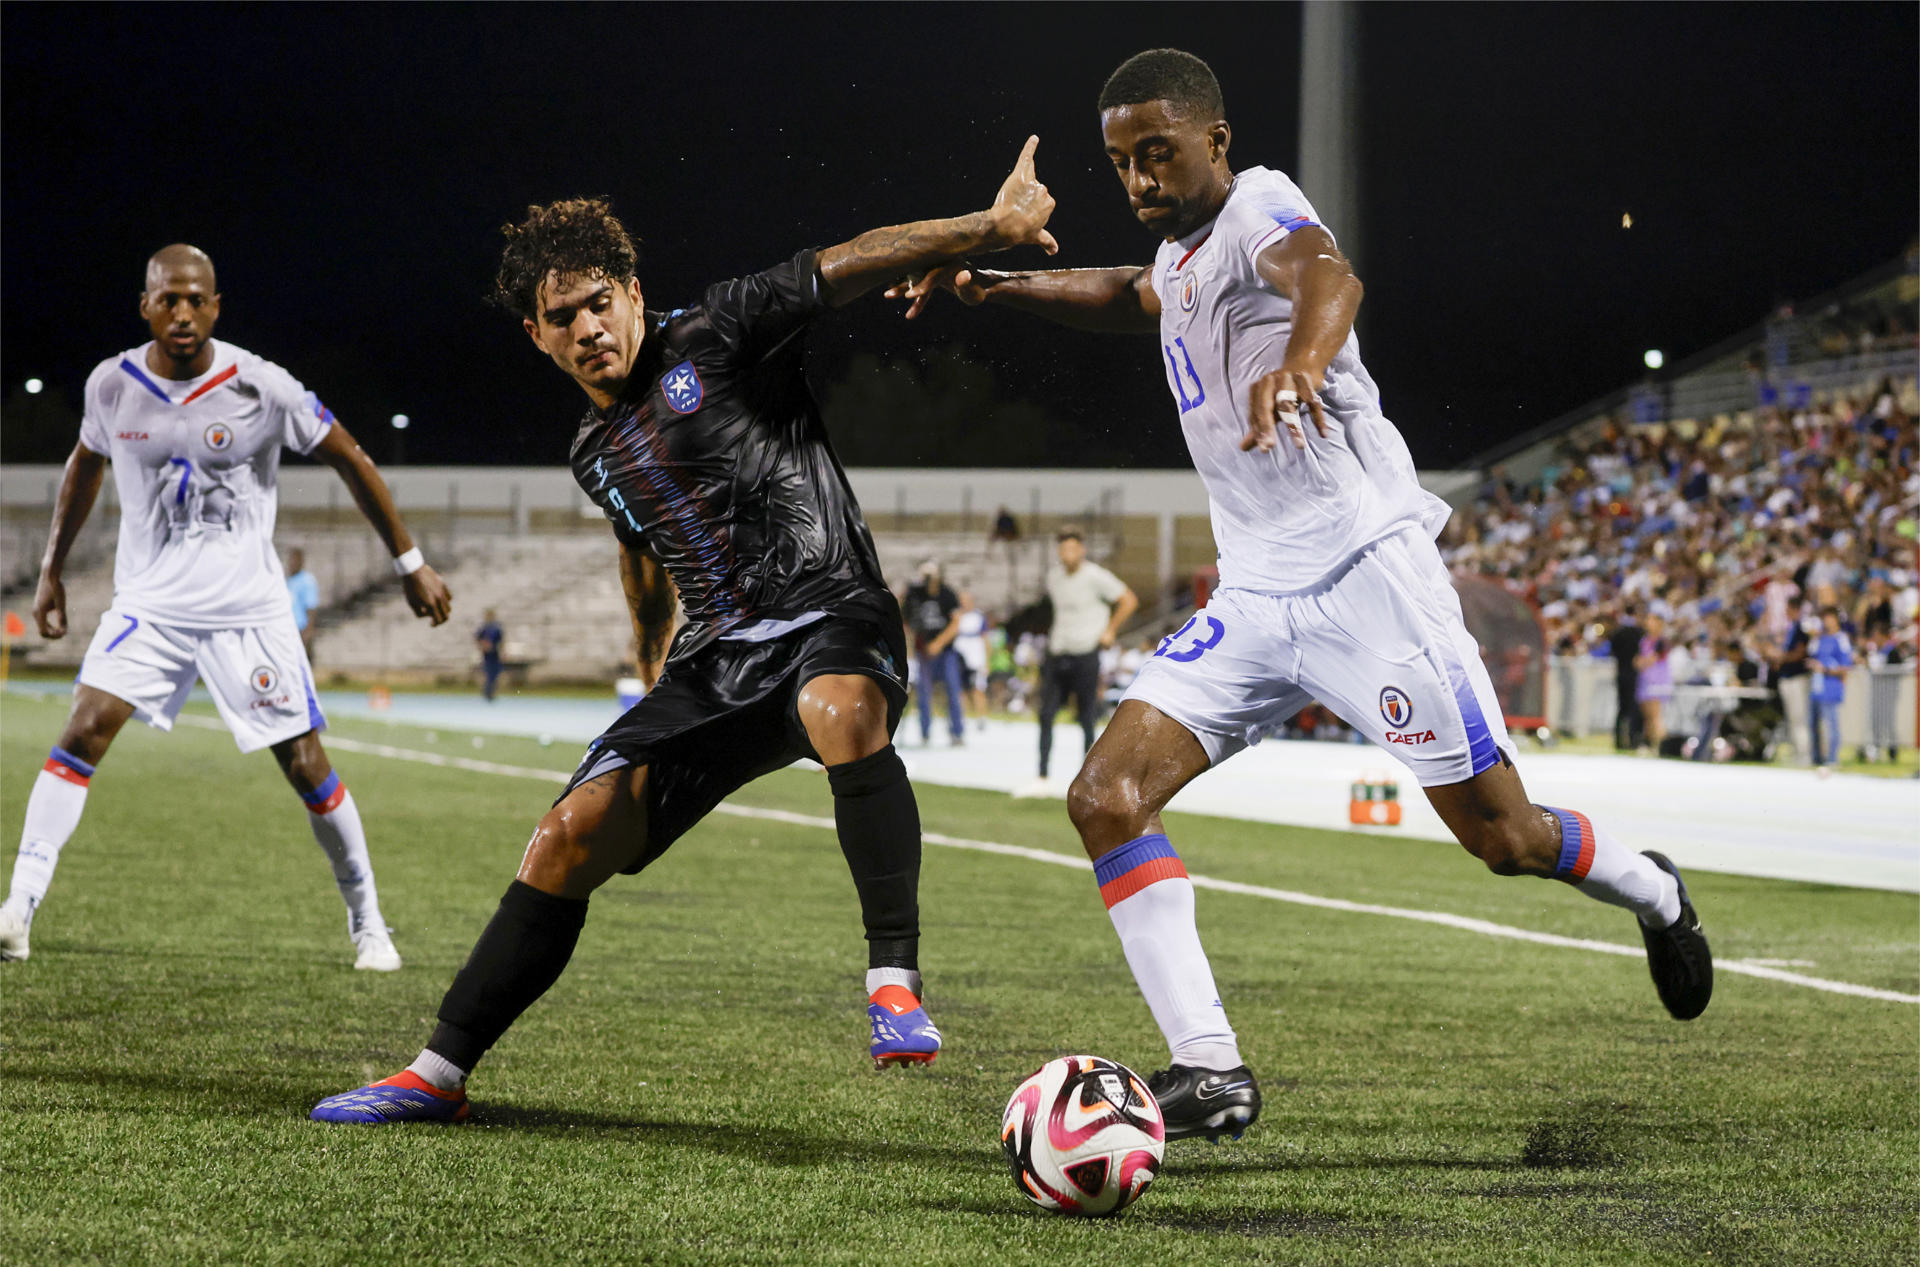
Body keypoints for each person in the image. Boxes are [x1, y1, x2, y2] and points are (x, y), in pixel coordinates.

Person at [894, 49, 1711, 1141]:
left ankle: (1652, 890)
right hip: (1259, 592)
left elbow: (1328, 276)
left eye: (1159, 153)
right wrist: (996, 286)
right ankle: (1211, 1069)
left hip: (1370, 576)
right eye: (1121, 163)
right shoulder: (1178, 259)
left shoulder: (1261, 204)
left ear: (1215, 142)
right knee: (1105, 797)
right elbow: (1134, 296)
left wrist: (1306, 363)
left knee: (1505, 838)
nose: (1137, 180)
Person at [311, 141, 1060, 1123]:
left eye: (596, 303)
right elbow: (641, 546)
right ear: (536, 338)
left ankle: (894, 985)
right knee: (565, 835)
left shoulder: (719, 327)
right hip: (716, 661)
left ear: (629, 291)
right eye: (559, 317)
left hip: (832, 609)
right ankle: (435, 1074)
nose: (585, 327)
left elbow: (850, 258)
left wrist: (984, 229)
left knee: (839, 710)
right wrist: (646, 648)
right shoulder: (591, 451)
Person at [1, 244, 452, 968]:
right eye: (168, 299)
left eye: (196, 299)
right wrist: (51, 571)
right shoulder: (110, 386)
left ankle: (370, 923)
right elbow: (84, 464)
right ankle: (17, 909)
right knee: (81, 732)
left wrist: (410, 562)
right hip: (149, 606)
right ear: (144, 304)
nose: (182, 313)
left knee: (306, 763)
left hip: (247, 610)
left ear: (215, 305)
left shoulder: (262, 386)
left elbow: (350, 455)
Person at [1025, 527, 1137, 792]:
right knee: (1046, 714)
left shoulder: (1095, 576)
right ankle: (1042, 775)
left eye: (1072, 548)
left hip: (1086, 651)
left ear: (1082, 550)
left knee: (1086, 716)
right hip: (1058, 650)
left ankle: (1090, 780)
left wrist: (1110, 630)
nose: (1067, 554)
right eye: (1063, 549)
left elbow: (1128, 600)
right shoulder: (1054, 577)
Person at [901, 561, 966, 745]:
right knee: (924, 693)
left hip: (946, 651)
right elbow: (906, 619)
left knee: (953, 690)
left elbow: (956, 623)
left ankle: (956, 732)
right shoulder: (915, 595)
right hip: (924, 652)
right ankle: (925, 731)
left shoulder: (947, 594)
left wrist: (938, 643)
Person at [1809, 607, 1854, 770]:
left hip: (1831, 685)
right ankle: (1816, 758)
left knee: (1831, 724)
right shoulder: (1820, 638)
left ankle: (1833, 758)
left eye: (1829, 618)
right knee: (1813, 723)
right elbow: (1812, 655)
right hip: (1817, 685)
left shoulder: (1841, 638)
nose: (1826, 621)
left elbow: (1846, 666)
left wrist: (1826, 670)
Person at [1775, 596, 1816, 764]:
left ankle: (1805, 755)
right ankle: (1797, 753)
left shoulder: (1802, 627)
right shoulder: (1791, 628)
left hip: (1797, 678)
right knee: (1793, 718)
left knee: (1800, 718)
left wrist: (1781, 658)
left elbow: (1801, 652)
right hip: (1787, 677)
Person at [952, 589, 991, 730]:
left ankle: (981, 718)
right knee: (960, 689)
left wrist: (987, 661)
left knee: (977, 689)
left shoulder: (979, 617)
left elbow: (985, 639)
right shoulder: (956, 616)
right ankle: (963, 718)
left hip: (975, 659)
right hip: (959, 656)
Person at [1608, 607, 1645, 750]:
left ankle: (1619, 741)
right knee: (1632, 709)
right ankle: (1631, 740)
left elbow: (1613, 651)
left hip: (1620, 673)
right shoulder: (1639, 633)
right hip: (1634, 675)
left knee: (1621, 709)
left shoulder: (1618, 632)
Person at [1635, 612, 1672, 752]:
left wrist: (1643, 662)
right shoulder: (1644, 640)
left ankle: (1662, 746)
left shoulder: (1662, 641)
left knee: (1656, 715)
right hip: (1645, 680)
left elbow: (1653, 659)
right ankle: (1650, 744)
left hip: (1657, 682)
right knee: (1647, 717)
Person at [285, 547, 321, 655]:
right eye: (290, 560)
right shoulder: (289, 581)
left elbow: (311, 607)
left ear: (301, 562)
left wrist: (308, 632)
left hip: (300, 630)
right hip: (287, 630)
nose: (292, 563)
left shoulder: (307, 580)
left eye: (295, 560)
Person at [475, 609, 505, 702]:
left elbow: (501, 641)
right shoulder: (484, 628)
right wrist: (483, 645)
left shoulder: (497, 628)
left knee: (495, 674)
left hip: (495, 654)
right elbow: (477, 638)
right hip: (487, 655)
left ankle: (492, 693)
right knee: (487, 673)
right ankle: (486, 693)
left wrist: (501, 650)